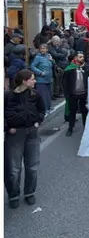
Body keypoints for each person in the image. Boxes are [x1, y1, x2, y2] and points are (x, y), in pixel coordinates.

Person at [5, 70, 45, 208]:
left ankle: (29, 193)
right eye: (32, 79)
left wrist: (38, 122)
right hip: (15, 135)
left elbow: (41, 110)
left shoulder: (36, 95)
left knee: (32, 166)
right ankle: (13, 194)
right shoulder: (8, 96)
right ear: (24, 81)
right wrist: (7, 128)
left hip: (32, 133)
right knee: (13, 169)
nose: (35, 81)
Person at [63, 52, 89, 137]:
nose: (82, 58)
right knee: (72, 111)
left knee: (84, 111)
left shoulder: (86, 68)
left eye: (83, 57)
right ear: (75, 58)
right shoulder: (69, 69)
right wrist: (67, 94)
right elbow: (65, 82)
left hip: (83, 93)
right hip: (73, 94)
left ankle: (86, 127)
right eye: (80, 57)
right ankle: (70, 127)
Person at [31, 43, 54, 114]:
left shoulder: (48, 56)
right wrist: (40, 73)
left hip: (49, 79)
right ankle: (44, 109)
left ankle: (49, 106)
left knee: (49, 94)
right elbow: (32, 66)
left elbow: (52, 65)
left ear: (47, 49)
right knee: (43, 95)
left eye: (44, 48)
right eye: (41, 48)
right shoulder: (37, 57)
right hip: (41, 79)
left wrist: (52, 60)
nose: (42, 50)